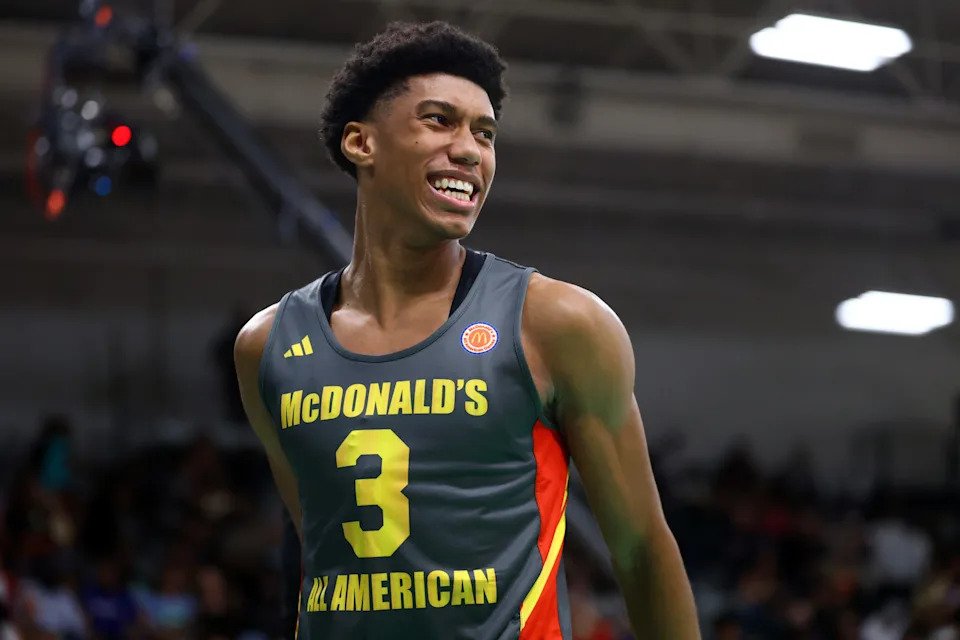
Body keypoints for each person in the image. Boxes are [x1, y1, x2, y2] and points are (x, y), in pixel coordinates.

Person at [233, 21, 699, 639]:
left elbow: (641, 549)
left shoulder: (554, 323)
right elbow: (317, 553)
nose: (470, 150)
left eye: (485, 133)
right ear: (361, 142)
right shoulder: (266, 348)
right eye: (439, 121)